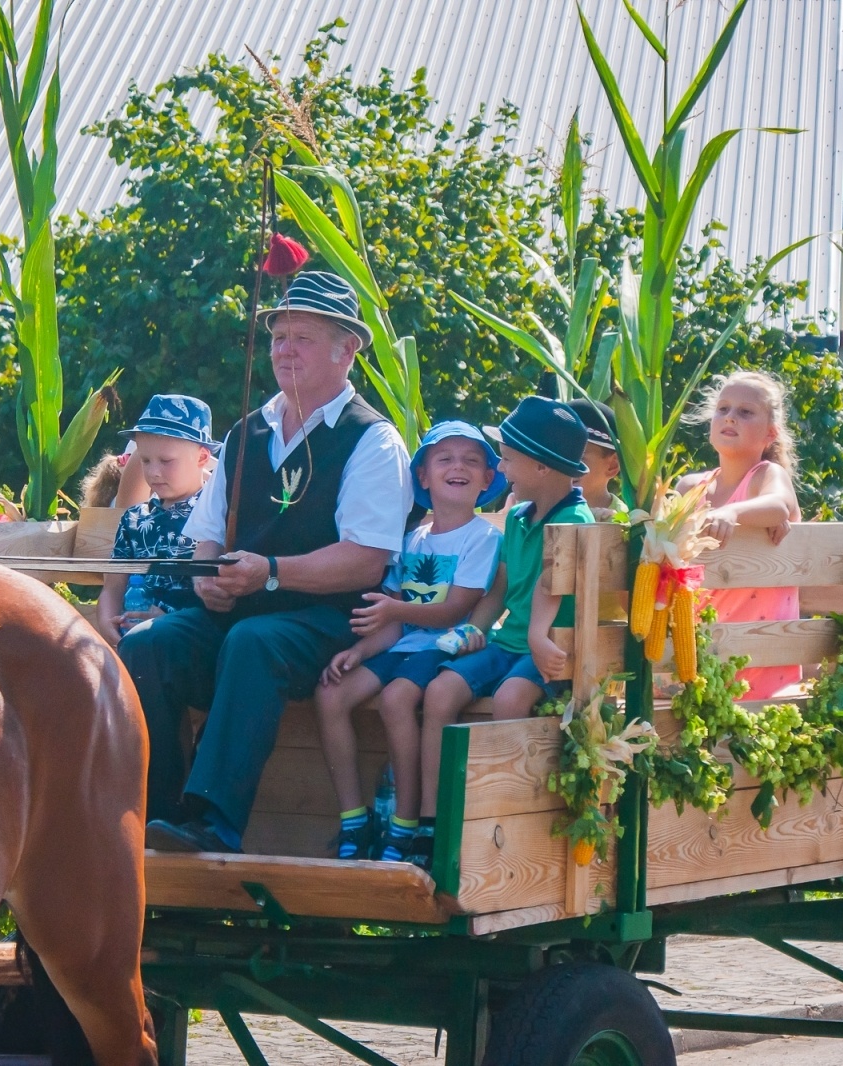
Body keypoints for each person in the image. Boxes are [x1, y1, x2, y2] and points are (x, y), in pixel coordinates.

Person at [120, 271, 413, 854]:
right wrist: (211, 586)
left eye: (301, 338)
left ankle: (213, 823)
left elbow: (366, 560)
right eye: (279, 337)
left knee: (255, 641)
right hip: (242, 618)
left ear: (346, 349)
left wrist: (271, 572)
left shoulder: (372, 441)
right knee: (151, 644)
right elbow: (207, 538)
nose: (283, 350)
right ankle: (152, 812)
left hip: (328, 624)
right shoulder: (245, 433)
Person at [413, 397, 594, 866]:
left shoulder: (575, 521)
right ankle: (431, 824)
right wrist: (472, 629)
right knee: (439, 692)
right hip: (510, 640)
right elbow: (502, 585)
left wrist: (537, 636)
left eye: (508, 456)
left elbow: (549, 588)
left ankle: (506, 821)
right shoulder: (517, 516)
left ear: (539, 465)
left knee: (512, 699)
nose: (502, 465)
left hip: (551, 644)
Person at [315, 421, 506, 862]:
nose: (457, 467)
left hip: (443, 649)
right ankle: (354, 819)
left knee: (397, 699)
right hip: (402, 646)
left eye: (471, 461)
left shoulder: (483, 538)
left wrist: (395, 610)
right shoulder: (410, 539)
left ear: (485, 480)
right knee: (330, 693)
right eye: (445, 459)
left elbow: (453, 610)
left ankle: (405, 824)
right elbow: (392, 620)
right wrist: (358, 651)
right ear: (422, 476)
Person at [675, 369, 803, 699]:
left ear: (770, 434)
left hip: (761, 657)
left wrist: (732, 512)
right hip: (701, 659)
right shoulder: (691, 487)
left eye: (745, 412)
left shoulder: (767, 475)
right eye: (723, 409)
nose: (730, 417)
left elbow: (779, 506)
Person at [96, 395, 218, 647]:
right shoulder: (134, 519)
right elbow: (113, 587)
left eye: (166, 461)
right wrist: (107, 621)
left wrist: (168, 622)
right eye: (145, 460)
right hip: (134, 637)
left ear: (202, 458)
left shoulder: (215, 514)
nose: (153, 472)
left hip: (190, 640)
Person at [569, 396, 627, 522]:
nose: (565, 465)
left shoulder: (625, 523)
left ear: (612, 466)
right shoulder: (538, 514)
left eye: (579, 457)